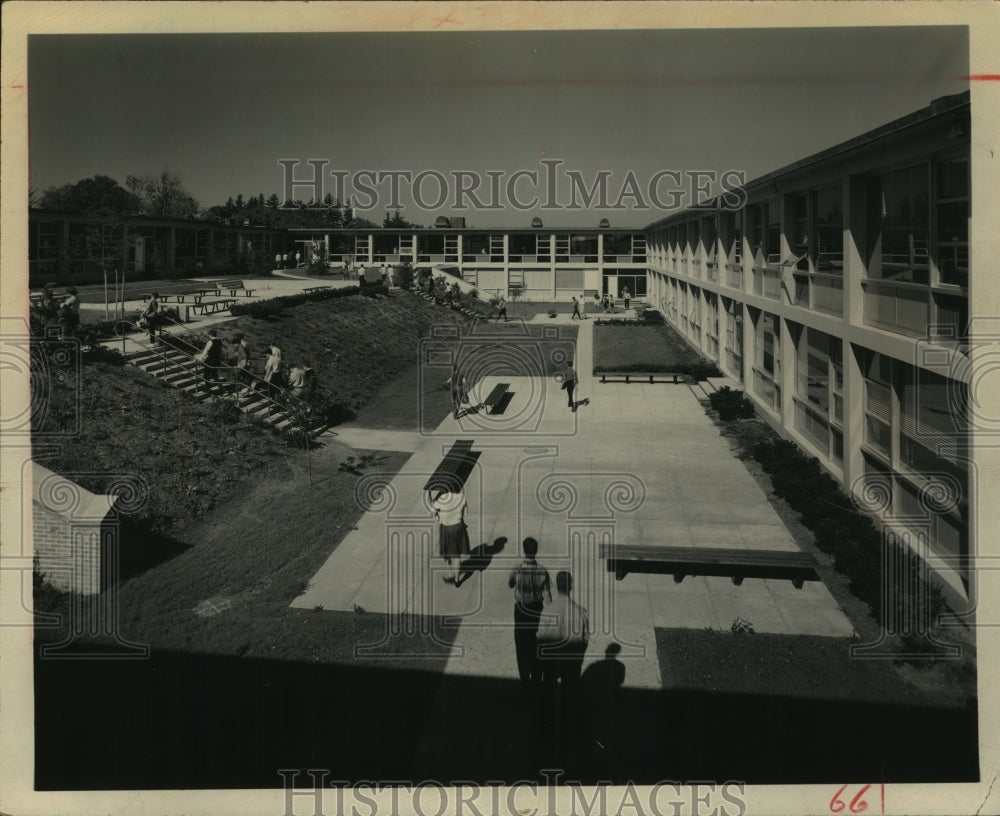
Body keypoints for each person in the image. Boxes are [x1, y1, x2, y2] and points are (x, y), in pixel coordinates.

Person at [536, 570, 590, 740]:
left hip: (550, 661)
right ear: (571, 586)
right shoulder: (581, 612)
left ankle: (547, 729)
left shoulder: (547, 610)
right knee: (569, 696)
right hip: (571, 662)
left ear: (556, 587)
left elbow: (540, 639)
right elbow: (585, 640)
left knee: (548, 694)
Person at [508, 537, 552, 702]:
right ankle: (536, 679)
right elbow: (547, 597)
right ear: (536, 551)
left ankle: (525, 683)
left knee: (521, 647)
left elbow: (510, 584)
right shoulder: (543, 571)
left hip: (521, 611)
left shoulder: (517, 569)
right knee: (536, 644)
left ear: (524, 550)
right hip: (536, 611)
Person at [430, 486, 469, 585]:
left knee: (447, 552)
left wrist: (433, 503)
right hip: (459, 527)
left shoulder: (441, 499)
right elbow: (465, 514)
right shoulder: (462, 497)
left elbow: (433, 514)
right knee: (457, 555)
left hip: (446, 529)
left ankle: (451, 571)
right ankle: (457, 579)